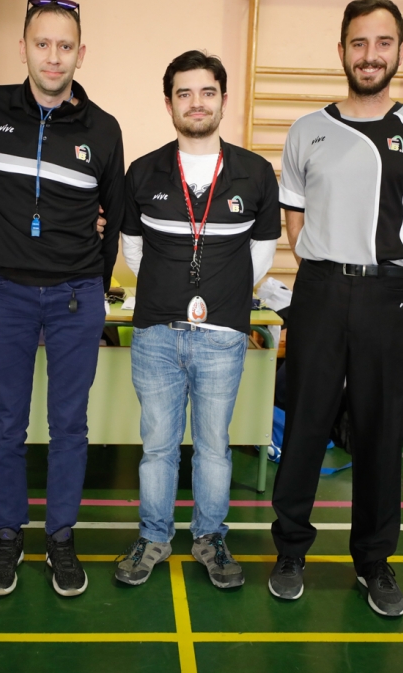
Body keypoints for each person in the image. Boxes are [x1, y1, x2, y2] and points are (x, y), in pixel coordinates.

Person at [267, 0, 403, 616]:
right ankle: (290, 550)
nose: (370, 55)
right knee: (306, 422)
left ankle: (374, 561)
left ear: (400, 50)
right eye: (358, 43)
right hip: (320, 290)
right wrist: (332, 264)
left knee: (379, 429)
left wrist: (383, 271)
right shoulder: (306, 130)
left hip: (387, 294)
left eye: (382, 42)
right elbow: (295, 220)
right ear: (342, 50)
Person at [0, 0, 125, 597]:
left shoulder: (103, 129)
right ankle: (8, 536)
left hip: (76, 297)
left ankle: (61, 538)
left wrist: (93, 285)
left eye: (64, 46)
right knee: (6, 425)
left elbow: (115, 219)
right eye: (42, 43)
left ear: (81, 53)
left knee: (69, 425)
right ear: (22, 47)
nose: (53, 56)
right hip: (5, 295)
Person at [114, 51, 280, 588]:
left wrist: (221, 295)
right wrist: (170, 290)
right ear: (169, 104)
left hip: (223, 335)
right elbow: (133, 251)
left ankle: (210, 538)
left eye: (207, 92)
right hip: (155, 334)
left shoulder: (255, 173)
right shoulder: (143, 172)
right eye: (184, 93)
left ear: (223, 100)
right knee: (158, 448)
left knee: (213, 447)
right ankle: (154, 537)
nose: (196, 103)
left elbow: (261, 255)